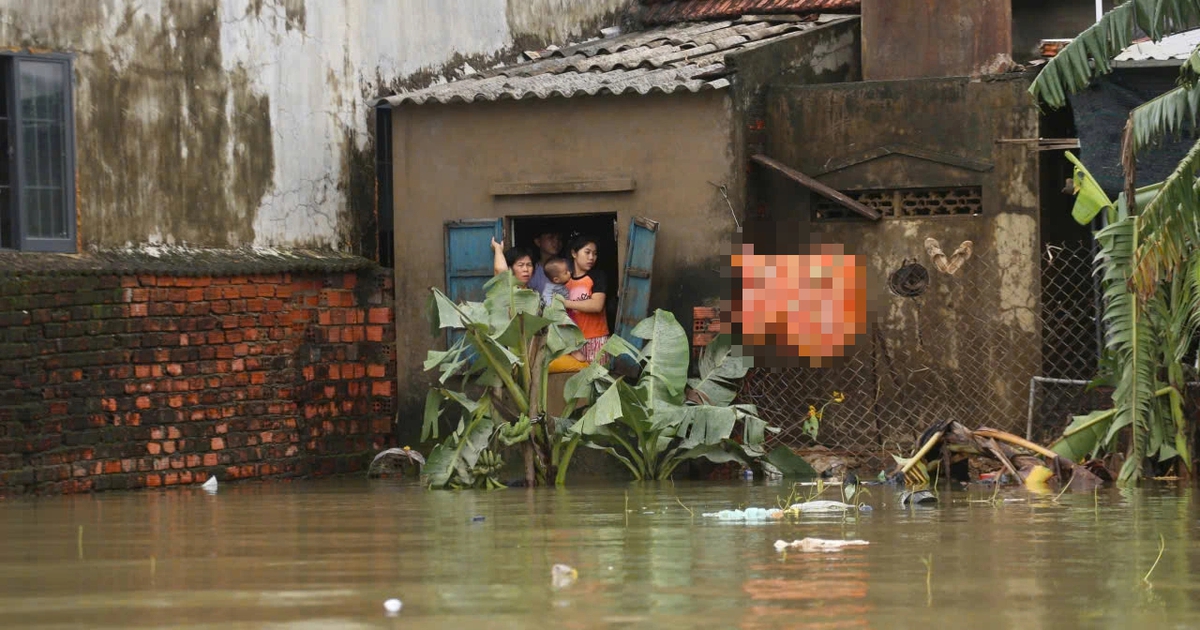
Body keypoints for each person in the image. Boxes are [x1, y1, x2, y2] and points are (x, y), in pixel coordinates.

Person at [562, 235, 609, 363]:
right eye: (587, 252)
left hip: (596, 338)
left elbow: (596, 305)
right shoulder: (564, 280)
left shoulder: (598, 276)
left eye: (594, 254)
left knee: (598, 380)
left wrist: (566, 303)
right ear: (574, 253)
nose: (591, 258)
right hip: (573, 343)